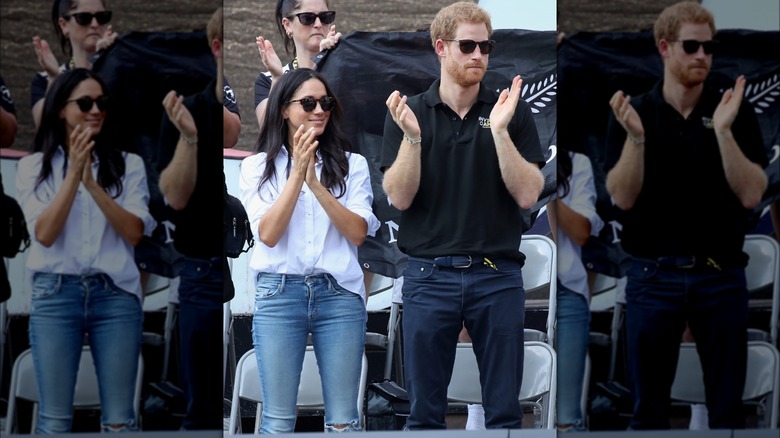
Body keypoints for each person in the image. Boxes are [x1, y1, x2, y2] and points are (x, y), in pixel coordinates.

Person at [380, 1, 546, 430]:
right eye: (467, 45)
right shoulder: (408, 112)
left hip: (497, 274)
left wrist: (502, 130)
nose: (478, 56)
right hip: (427, 275)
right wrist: (413, 139)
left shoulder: (509, 111)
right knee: (424, 414)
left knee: (506, 412)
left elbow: (528, 194)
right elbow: (398, 197)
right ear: (441, 47)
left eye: (485, 46)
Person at [604, 1, 769, 430]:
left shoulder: (732, 108)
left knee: (728, 410)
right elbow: (621, 198)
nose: (702, 56)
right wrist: (636, 139)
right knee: (647, 411)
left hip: (720, 274)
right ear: (665, 47)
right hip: (651, 275)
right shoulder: (634, 111)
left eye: (709, 47)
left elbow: (753, 194)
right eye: (691, 46)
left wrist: (725, 131)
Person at [238, 67, 379, 433]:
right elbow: (268, 234)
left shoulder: (354, 164)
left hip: (339, 295)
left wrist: (316, 185)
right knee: (278, 418)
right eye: (308, 103)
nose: (319, 110)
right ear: (283, 109)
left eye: (326, 102)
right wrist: (297, 174)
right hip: (280, 292)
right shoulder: (256, 167)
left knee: (344, 421)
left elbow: (358, 232)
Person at [14, 67, 155, 433]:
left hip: (116, 295)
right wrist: (73, 174)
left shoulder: (129, 164)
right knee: (55, 418)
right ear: (61, 109)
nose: (96, 110)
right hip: (55, 291)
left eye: (102, 103)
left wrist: (91, 185)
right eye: (86, 103)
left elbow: (135, 233)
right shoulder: (32, 167)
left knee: (120, 421)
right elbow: (44, 234)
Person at [157, 7, 226, 430]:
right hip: (202, 267)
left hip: (253, 267)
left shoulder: (244, 110)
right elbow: (175, 199)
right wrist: (189, 136)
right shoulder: (188, 110)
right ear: (217, 47)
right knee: (201, 408)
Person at [548, 146, 604, 432]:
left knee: (567, 417)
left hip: (566, 290)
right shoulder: (499, 150)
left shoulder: (574, 162)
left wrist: (547, 186)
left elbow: (582, 232)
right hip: (511, 291)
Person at [254, 0, 341, 129]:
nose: (318, 24)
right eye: (308, 18)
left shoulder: (346, 72)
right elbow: (268, 132)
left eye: (325, 17)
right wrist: (278, 78)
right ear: (287, 25)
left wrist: (326, 63)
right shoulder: (268, 80)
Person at [31, 0, 117, 129]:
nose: (94, 24)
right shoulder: (44, 80)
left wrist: (105, 62)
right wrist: (54, 78)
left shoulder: (123, 70)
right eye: (84, 18)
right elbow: (44, 129)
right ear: (64, 25)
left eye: (101, 17)